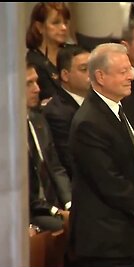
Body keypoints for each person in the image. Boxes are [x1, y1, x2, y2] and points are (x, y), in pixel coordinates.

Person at [68, 43, 134, 267]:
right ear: (100, 76)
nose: (131, 77)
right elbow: (109, 182)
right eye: (123, 72)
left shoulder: (126, 105)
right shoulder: (88, 123)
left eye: (129, 69)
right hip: (106, 243)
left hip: (132, 233)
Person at [26, 60, 71, 232]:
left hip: (54, 203)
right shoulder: (7, 134)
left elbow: (56, 167)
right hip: (29, 211)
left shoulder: (38, 119)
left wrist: (69, 203)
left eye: (36, 81)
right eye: (28, 83)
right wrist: (55, 211)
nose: (37, 89)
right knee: (70, 228)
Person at [44, 45, 90, 179]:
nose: (91, 73)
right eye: (84, 69)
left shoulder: (98, 100)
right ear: (65, 75)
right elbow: (70, 161)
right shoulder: (57, 113)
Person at [26, 2, 71, 102]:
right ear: (40, 27)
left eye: (66, 22)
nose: (64, 27)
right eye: (56, 23)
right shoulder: (33, 61)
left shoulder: (74, 54)